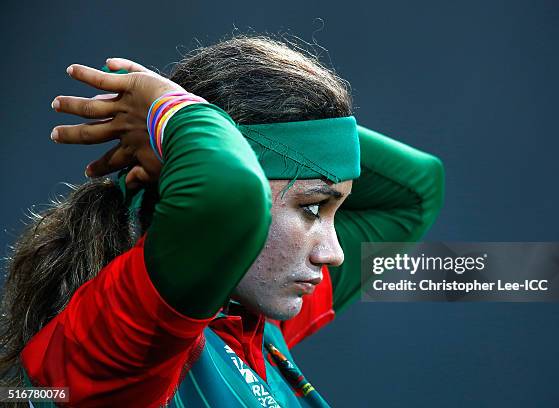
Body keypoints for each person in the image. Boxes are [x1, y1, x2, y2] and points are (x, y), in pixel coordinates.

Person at [0, 35, 444, 407]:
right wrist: (171, 111)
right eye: (311, 209)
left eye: (334, 212)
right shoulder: (133, 329)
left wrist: (202, 122)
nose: (333, 252)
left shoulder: (254, 311)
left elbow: (415, 193)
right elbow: (230, 198)